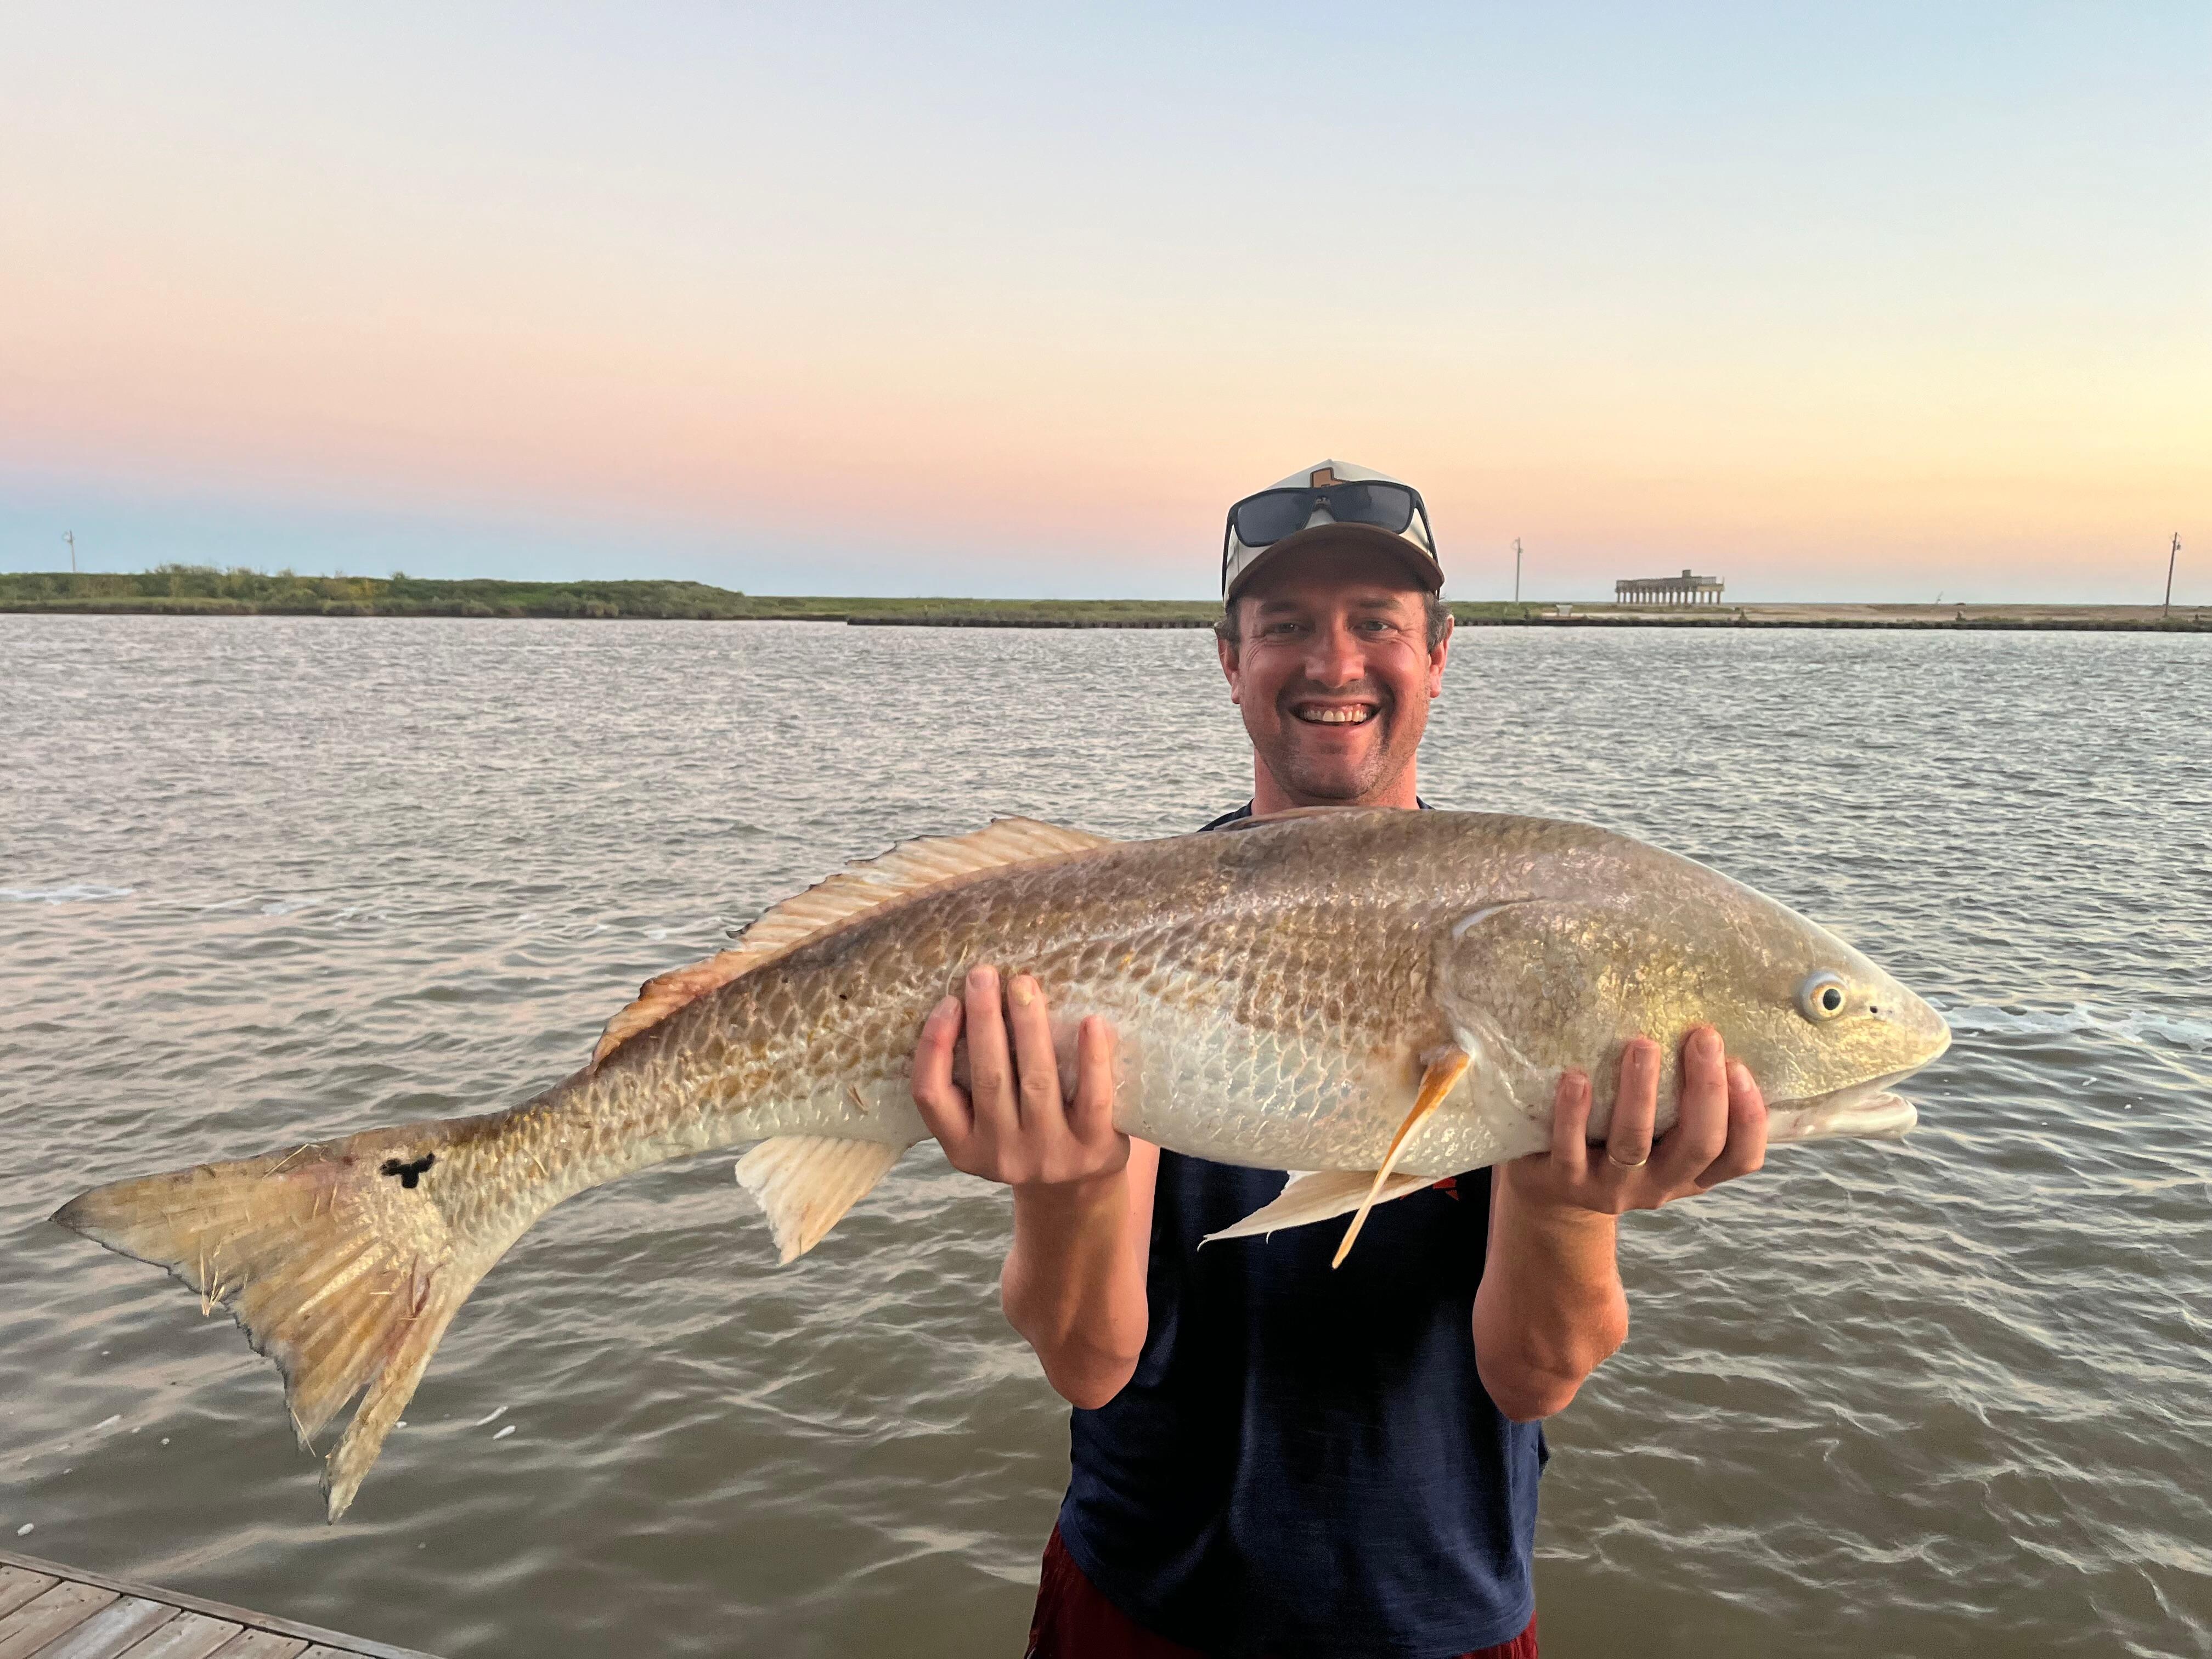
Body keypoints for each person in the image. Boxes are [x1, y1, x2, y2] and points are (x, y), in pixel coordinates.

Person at [910, 462, 1772, 1659]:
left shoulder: (1527, 946)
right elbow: (1090, 1363)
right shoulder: (1124, 929)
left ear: (1441, 653)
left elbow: (1532, 1380)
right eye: (1286, 627)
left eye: (1378, 623)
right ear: (1230, 660)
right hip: (1142, 1594)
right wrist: (1063, 1189)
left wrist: (1573, 1204)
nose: (1334, 663)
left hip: (1437, 1609)